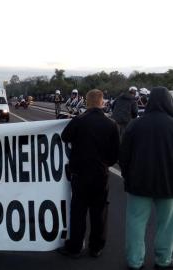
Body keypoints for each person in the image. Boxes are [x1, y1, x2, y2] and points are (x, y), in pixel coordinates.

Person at [58, 89, 119, 258]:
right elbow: (115, 154)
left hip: (80, 174)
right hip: (100, 174)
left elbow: (65, 137)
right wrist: (104, 164)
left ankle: (75, 246)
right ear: (102, 102)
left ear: (86, 102)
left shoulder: (79, 120)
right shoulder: (111, 124)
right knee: (99, 212)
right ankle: (96, 247)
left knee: (78, 211)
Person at [120, 87, 173, 270]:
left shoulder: (136, 124)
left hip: (139, 183)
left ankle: (135, 261)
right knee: (166, 225)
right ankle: (163, 260)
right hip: (168, 185)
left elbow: (124, 156)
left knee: (136, 223)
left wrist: (127, 176)